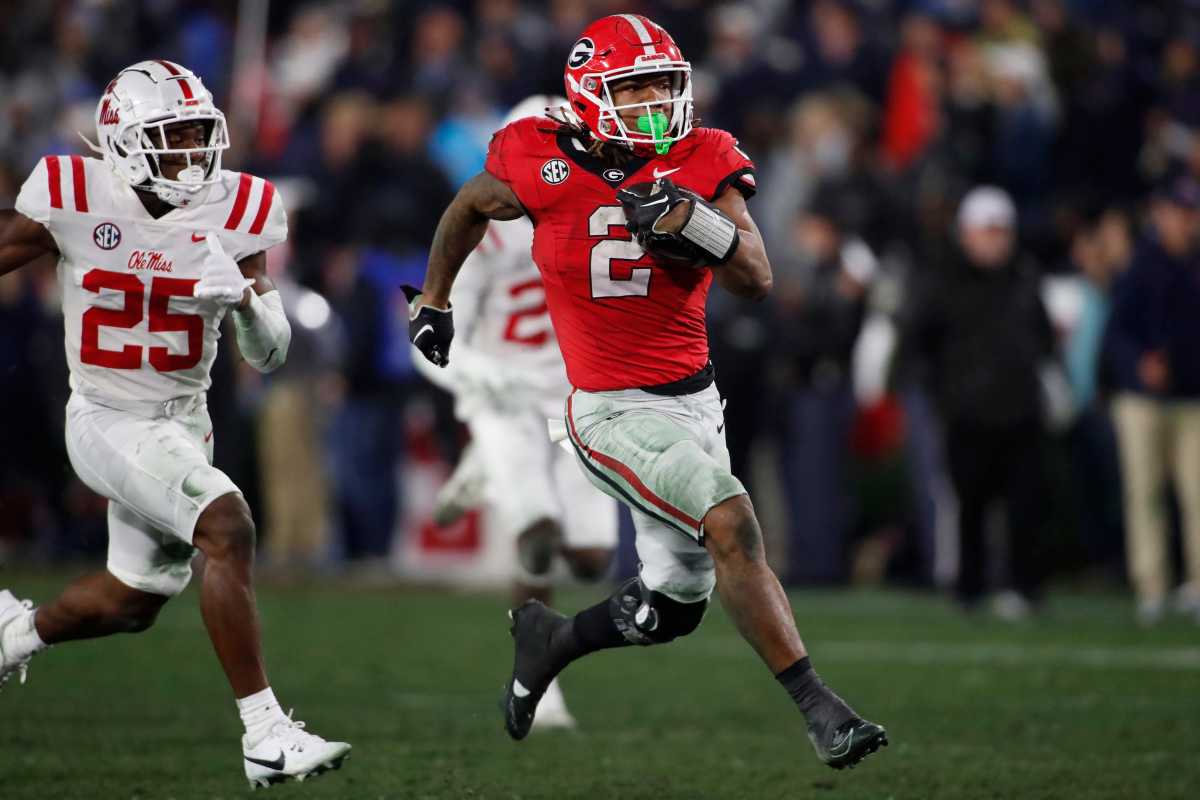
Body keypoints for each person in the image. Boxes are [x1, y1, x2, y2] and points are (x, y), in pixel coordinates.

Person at [405, 15, 887, 769]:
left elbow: (756, 278)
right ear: (592, 96)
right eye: (636, 88)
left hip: (697, 402)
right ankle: (822, 710)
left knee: (674, 606)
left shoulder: (702, 157)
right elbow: (469, 204)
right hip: (608, 408)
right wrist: (435, 300)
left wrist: (697, 225)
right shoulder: (540, 156)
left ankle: (550, 641)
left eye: (666, 83)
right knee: (732, 522)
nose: (657, 100)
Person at [0, 60, 349, 789]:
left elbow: (273, 353)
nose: (193, 154)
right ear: (124, 142)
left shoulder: (240, 207)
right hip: (106, 416)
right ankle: (265, 734)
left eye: (199, 135)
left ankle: (14, 635)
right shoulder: (71, 195)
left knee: (134, 600)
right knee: (229, 525)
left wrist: (248, 303)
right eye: (173, 137)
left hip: (186, 422)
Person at [416, 96, 619, 730]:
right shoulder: (484, 220)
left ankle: (485, 468)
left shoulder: (599, 212)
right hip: (507, 396)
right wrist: (475, 375)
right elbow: (433, 316)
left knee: (590, 556)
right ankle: (539, 682)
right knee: (535, 534)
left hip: (573, 394)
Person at [898, 186, 1058, 617]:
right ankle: (970, 588)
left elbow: (1042, 338)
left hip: (1021, 410)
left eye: (1000, 232)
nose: (995, 240)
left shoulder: (1025, 276)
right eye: (987, 231)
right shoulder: (944, 281)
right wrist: (941, 394)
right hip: (966, 414)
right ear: (967, 233)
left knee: (1025, 504)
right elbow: (918, 344)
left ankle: (1024, 586)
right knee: (970, 504)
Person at [1106, 176, 1200, 624]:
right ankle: (1152, 586)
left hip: (1192, 397)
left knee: (1196, 494)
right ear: (1160, 213)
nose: (1186, 221)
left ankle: (1197, 585)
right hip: (1142, 400)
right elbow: (1117, 334)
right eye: (1180, 211)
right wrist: (1139, 366)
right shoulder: (1139, 266)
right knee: (1144, 493)